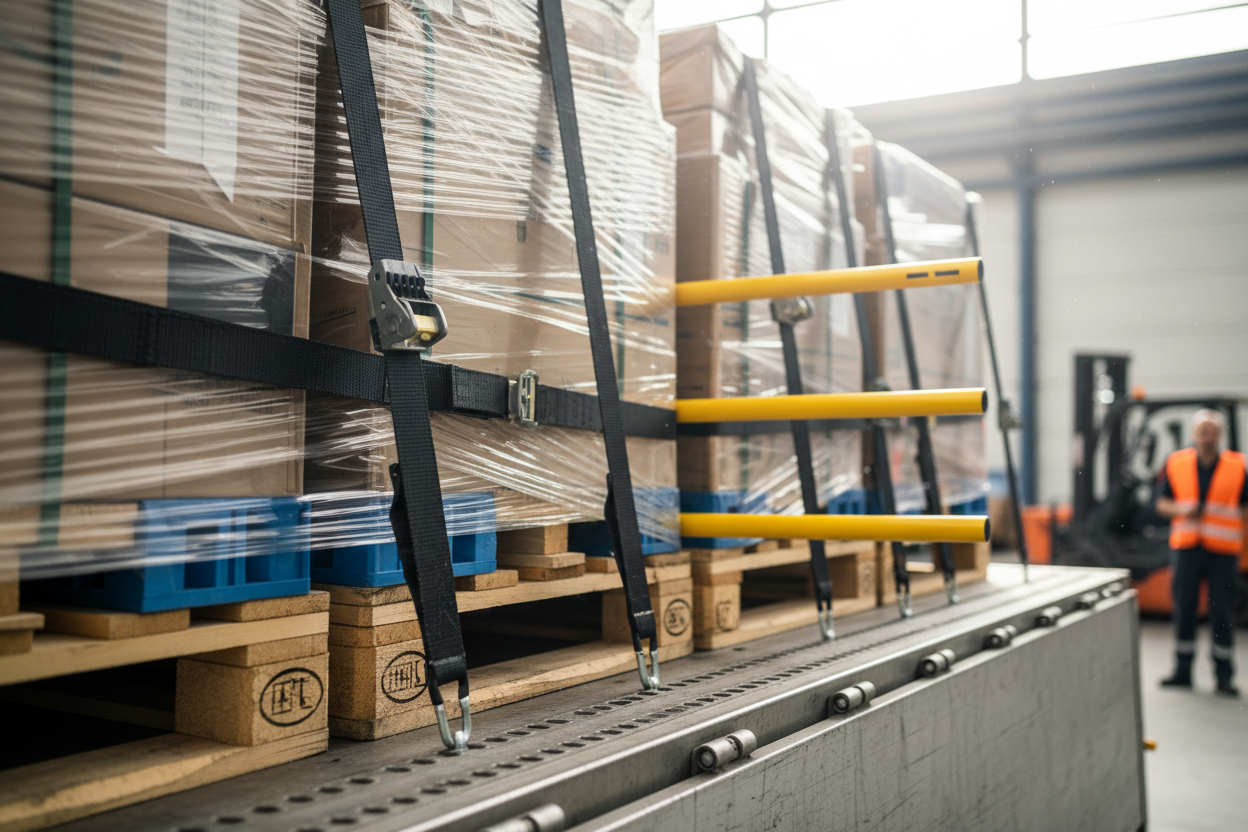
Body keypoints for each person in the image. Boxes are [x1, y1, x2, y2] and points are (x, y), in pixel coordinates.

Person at [1154, 409, 1247, 696]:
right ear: (1194, 434)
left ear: (1220, 435)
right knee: (1184, 609)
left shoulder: (1237, 465)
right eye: (1202, 431)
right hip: (1187, 548)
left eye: (1212, 431)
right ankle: (1182, 671)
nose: (1207, 437)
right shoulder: (1177, 463)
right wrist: (1182, 509)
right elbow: (1161, 504)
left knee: (1222, 612)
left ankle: (1224, 676)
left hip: (1223, 550)